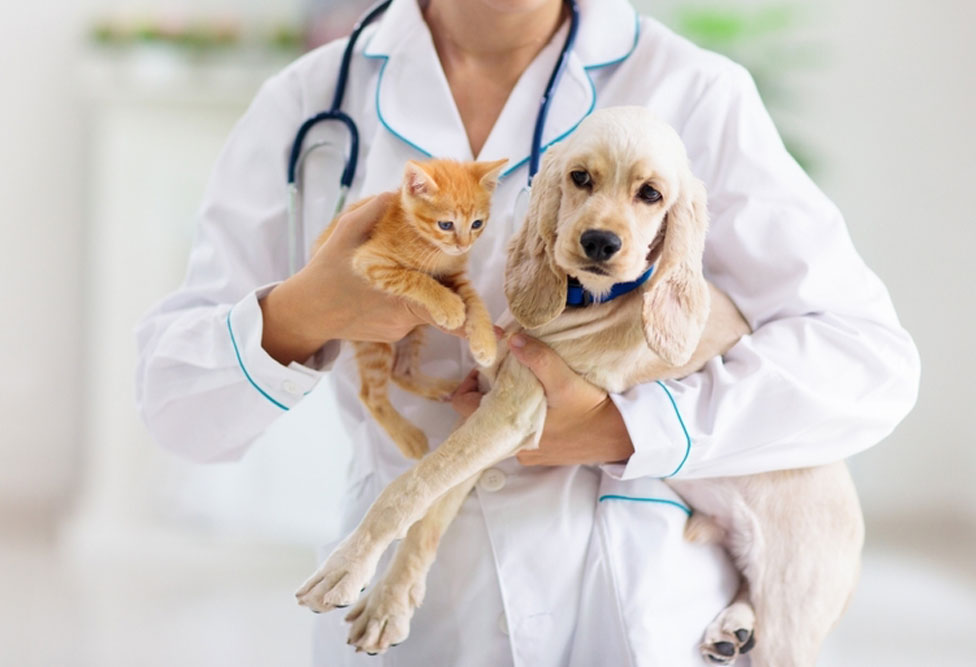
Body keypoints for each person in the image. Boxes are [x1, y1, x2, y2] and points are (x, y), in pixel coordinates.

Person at [135, 0, 920, 665]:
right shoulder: (307, 101)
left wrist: (621, 425)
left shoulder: (695, 93)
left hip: (638, 609)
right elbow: (179, 412)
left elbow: (869, 363)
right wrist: (307, 310)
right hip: (410, 610)